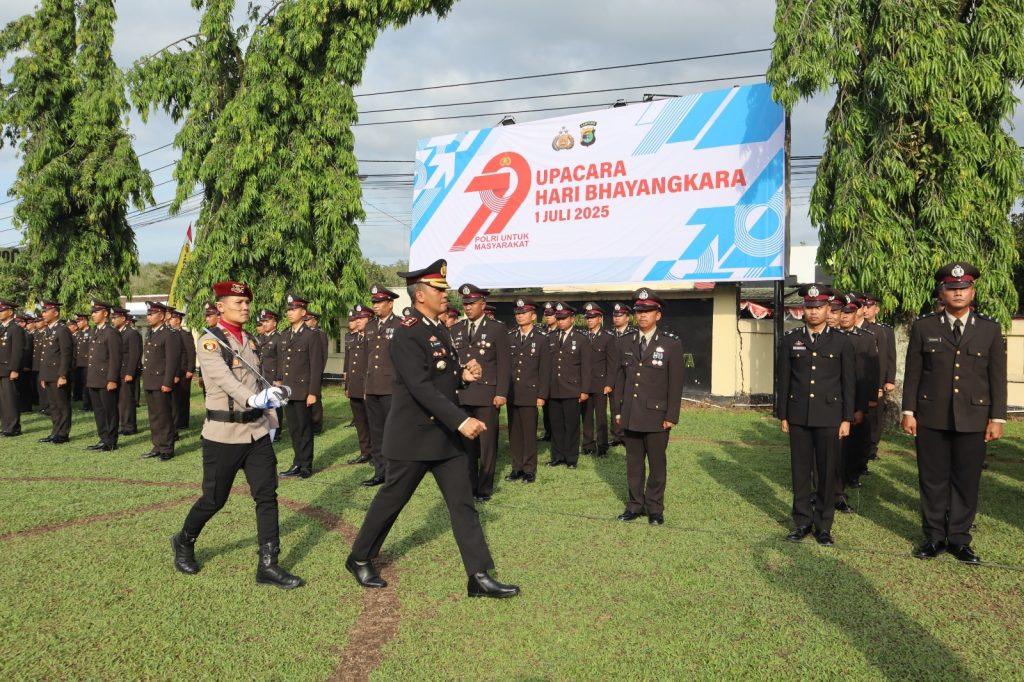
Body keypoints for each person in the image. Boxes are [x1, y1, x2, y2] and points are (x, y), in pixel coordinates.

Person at [345, 259, 519, 599]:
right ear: (420, 294)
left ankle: (479, 576)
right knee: (391, 501)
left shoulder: (439, 328)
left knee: (462, 503)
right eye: (439, 289)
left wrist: (462, 375)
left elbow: (441, 373)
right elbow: (420, 386)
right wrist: (462, 419)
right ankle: (360, 557)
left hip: (444, 438)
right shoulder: (407, 332)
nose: (446, 294)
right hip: (413, 436)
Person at [171, 280, 303, 590]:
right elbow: (226, 381)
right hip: (224, 434)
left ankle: (268, 565)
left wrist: (270, 420)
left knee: (267, 496)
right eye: (237, 303)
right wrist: (254, 400)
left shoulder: (251, 341)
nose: (244, 308)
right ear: (220, 307)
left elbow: (260, 383)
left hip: (256, 432)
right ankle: (184, 541)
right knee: (214, 499)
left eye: (246, 303)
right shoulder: (209, 342)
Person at [902, 262, 1006, 564]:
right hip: (931, 416)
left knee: (966, 479)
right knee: (932, 479)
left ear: (972, 292)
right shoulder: (925, 327)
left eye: (963, 288)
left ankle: (959, 539)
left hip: (974, 418)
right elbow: (913, 373)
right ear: (942, 292)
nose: (958, 292)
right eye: (952, 288)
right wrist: (908, 411)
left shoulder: (989, 328)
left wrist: (997, 418)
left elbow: (996, 377)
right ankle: (934, 536)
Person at [776, 284, 855, 546]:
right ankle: (802, 522)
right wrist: (783, 415)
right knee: (800, 471)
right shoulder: (791, 339)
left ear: (827, 309)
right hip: (798, 414)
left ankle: (823, 525)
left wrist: (846, 418)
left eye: (818, 307)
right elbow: (784, 380)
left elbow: (848, 382)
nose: (813, 312)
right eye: (809, 307)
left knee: (826, 472)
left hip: (830, 415)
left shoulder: (842, 341)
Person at [612, 289, 683, 525]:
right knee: (633, 464)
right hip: (631, 413)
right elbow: (619, 380)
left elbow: (675, 384)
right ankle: (635, 505)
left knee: (656, 464)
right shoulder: (625, 342)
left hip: (656, 415)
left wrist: (671, 415)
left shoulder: (670, 344)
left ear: (658, 315)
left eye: (647, 311)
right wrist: (618, 411)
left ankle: (655, 508)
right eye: (639, 311)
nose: (642, 316)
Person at [451, 283, 510, 501]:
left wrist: (501, 392)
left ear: (483, 304)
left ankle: (484, 488)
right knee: (466, 444)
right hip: (463, 394)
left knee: (487, 445)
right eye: (465, 304)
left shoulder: (497, 329)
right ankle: (469, 484)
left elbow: (505, 365)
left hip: (487, 395)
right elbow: (452, 363)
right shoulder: (455, 329)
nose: (467, 307)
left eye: (472, 303)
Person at [834, 293, 878, 511]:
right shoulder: (829, 336)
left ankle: (842, 485)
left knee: (848, 449)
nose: (844, 316)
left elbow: (866, 375)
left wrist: (863, 405)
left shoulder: (865, 338)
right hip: (829, 400)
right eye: (843, 312)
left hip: (852, 401)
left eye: (849, 312)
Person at [277, 294, 323, 479]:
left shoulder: (311, 335)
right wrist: (279, 384)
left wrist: (313, 392)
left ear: (303, 312)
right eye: (288, 310)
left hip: (304, 391)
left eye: (293, 309)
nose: (289, 313)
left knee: (305, 429)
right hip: (288, 391)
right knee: (294, 429)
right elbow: (283, 363)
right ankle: (297, 462)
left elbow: (316, 366)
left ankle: (306, 465)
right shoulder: (285, 335)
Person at [506, 297, 549, 484]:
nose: (520, 316)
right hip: (512, 392)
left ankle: (529, 469)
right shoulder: (510, 337)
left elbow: (545, 370)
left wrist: (541, 395)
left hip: (530, 393)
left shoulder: (541, 339)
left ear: (533, 316)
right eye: (517, 313)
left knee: (529, 432)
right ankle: (517, 467)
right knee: (514, 432)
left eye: (523, 313)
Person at [362, 284, 402, 486]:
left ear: (390, 303)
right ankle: (380, 472)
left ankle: (395, 473)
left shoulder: (400, 325)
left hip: (391, 388)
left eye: (379, 302)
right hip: (373, 387)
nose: (375, 306)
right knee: (376, 433)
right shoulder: (369, 326)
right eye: (374, 302)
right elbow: (366, 360)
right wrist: (365, 388)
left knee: (393, 432)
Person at [546, 302, 592, 469]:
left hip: (572, 389)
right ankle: (557, 456)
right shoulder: (550, 337)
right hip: (553, 389)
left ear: (572, 319)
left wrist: (585, 390)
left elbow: (586, 368)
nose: (560, 321)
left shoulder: (581, 339)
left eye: (564, 318)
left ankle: (571, 458)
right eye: (558, 318)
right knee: (556, 424)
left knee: (571, 425)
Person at [142, 302, 182, 461]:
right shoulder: (151, 333)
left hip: (161, 381)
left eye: (152, 314)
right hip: (150, 380)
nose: (148, 317)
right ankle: (157, 445)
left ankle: (167, 448)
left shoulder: (169, 334)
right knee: (154, 416)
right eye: (148, 314)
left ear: (162, 315)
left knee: (164, 416)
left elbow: (172, 361)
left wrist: (167, 382)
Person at [861, 292, 896, 462]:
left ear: (877, 309)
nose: (866, 310)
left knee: (875, 417)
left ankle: (872, 448)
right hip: (862, 378)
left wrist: (889, 380)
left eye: (869, 306)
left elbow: (890, 357)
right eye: (864, 306)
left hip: (879, 380)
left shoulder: (885, 330)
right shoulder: (857, 328)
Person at [580, 302, 618, 457]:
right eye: (587, 318)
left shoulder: (608, 337)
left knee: (601, 417)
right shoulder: (582, 337)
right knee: (586, 416)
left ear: (600, 318)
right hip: (584, 384)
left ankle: (602, 446)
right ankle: (588, 445)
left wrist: (609, 383)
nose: (589, 320)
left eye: (593, 317)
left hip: (600, 384)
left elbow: (612, 363)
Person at [85, 300, 122, 452]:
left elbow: (115, 358)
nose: (93, 314)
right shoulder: (95, 331)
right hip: (94, 378)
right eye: (92, 312)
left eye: (96, 311)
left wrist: (112, 379)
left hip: (106, 379)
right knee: (99, 411)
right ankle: (103, 438)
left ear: (105, 313)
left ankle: (111, 441)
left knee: (109, 411)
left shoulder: (111, 333)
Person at [37, 301, 74, 444]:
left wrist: (63, 375)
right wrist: (43, 376)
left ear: (56, 313)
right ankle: (55, 432)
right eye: (43, 311)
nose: (43, 314)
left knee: (62, 405)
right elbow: (46, 356)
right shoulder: (48, 330)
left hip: (58, 374)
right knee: (53, 405)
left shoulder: (62, 330)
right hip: (49, 374)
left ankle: (63, 433)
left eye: (46, 311)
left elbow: (66, 354)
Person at [344, 304, 373, 465]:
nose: (358, 321)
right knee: (360, 423)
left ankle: (376, 454)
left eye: (361, 318)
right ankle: (365, 452)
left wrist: (367, 388)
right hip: (355, 386)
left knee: (372, 423)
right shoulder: (354, 338)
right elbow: (350, 365)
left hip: (368, 387)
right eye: (357, 318)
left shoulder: (373, 338)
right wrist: (347, 385)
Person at [608, 302, 635, 447]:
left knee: (627, 404)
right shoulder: (610, 334)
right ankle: (617, 435)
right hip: (614, 374)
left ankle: (627, 434)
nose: (617, 318)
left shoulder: (633, 334)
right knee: (614, 403)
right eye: (615, 316)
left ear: (627, 317)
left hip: (628, 373)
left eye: (620, 315)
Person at [112, 307, 142, 436]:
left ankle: (129, 426)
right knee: (119, 400)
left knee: (127, 401)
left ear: (123, 319)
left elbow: (134, 355)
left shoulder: (131, 333)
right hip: (117, 371)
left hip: (126, 372)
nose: (112, 320)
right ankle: (122, 423)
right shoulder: (116, 332)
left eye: (115, 318)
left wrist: (130, 372)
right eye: (112, 318)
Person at [255, 310, 283, 441]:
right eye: (263, 321)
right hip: (261, 375)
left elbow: (281, 360)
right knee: (264, 403)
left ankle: (277, 431)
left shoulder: (278, 338)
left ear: (275, 323)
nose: (264, 324)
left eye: (267, 321)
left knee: (275, 405)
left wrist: (279, 378)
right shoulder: (261, 338)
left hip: (273, 377)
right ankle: (266, 427)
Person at [0, 300, 25, 437]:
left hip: (9, 369)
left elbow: (17, 351)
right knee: (3, 401)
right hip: (1, 369)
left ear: (10, 312)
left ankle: (13, 427)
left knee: (10, 400)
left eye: (2, 310)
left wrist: (14, 369)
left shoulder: (15, 329)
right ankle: (6, 426)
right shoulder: (2, 327)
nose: (0, 313)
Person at [168, 309, 196, 433]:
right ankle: (176, 420)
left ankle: (183, 422)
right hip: (175, 370)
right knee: (175, 398)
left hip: (184, 371)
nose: (169, 321)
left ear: (178, 320)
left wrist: (190, 369)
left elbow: (191, 352)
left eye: (171, 319)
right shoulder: (171, 334)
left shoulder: (184, 334)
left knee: (183, 397)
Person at [304, 310, 329, 436]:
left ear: (315, 320)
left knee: (315, 399)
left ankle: (317, 425)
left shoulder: (320, 334)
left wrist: (319, 372)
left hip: (315, 371)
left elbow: (323, 355)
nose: (306, 322)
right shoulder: (304, 334)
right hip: (304, 373)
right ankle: (308, 423)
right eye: (305, 319)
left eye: (308, 319)